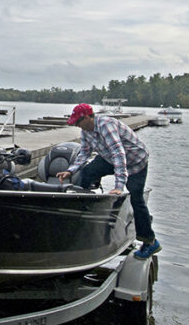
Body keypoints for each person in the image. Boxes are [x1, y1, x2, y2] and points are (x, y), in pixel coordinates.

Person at [57, 103, 160, 259]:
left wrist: (119, 186)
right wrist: (70, 171)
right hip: (108, 157)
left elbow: (118, 154)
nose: (78, 126)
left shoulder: (106, 125)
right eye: (75, 123)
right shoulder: (86, 131)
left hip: (135, 161)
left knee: (136, 198)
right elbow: (84, 153)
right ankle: (80, 214)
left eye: (78, 122)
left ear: (88, 117)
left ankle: (150, 242)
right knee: (87, 172)